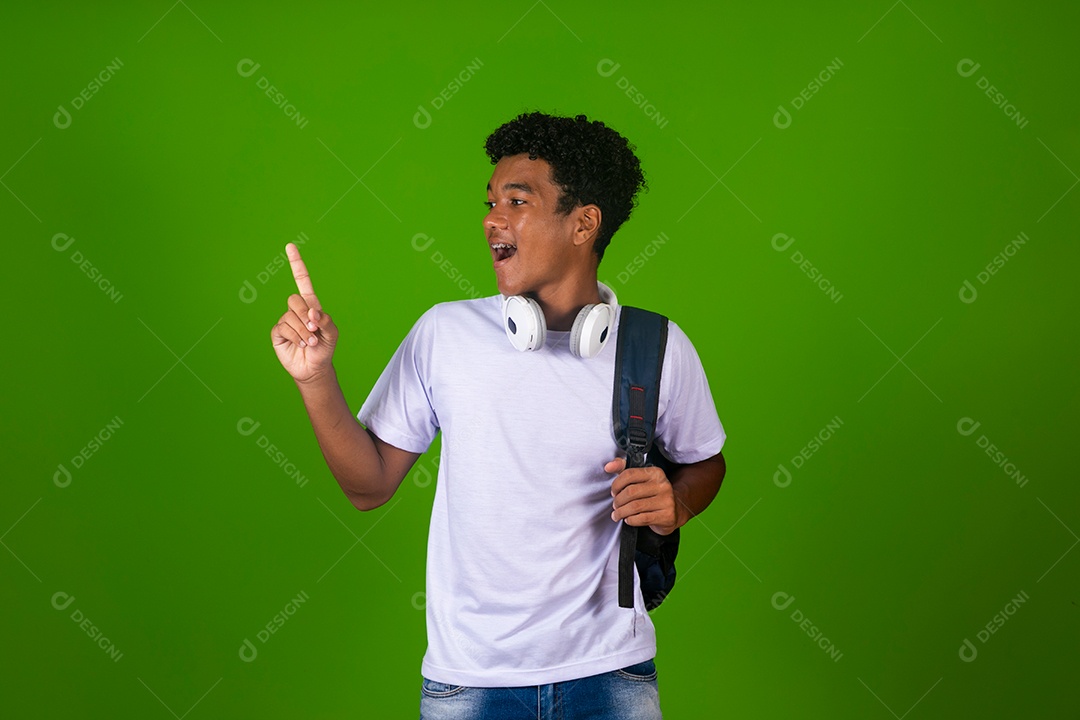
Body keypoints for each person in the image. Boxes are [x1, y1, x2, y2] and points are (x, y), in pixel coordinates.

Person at [271, 111, 727, 719]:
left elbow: (707, 464)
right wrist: (315, 378)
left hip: (612, 674)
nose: (491, 219)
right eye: (490, 201)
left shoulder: (655, 345)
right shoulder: (445, 333)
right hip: (470, 684)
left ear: (583, 224)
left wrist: (677, 503)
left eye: (517, 200)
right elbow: (368, 486)